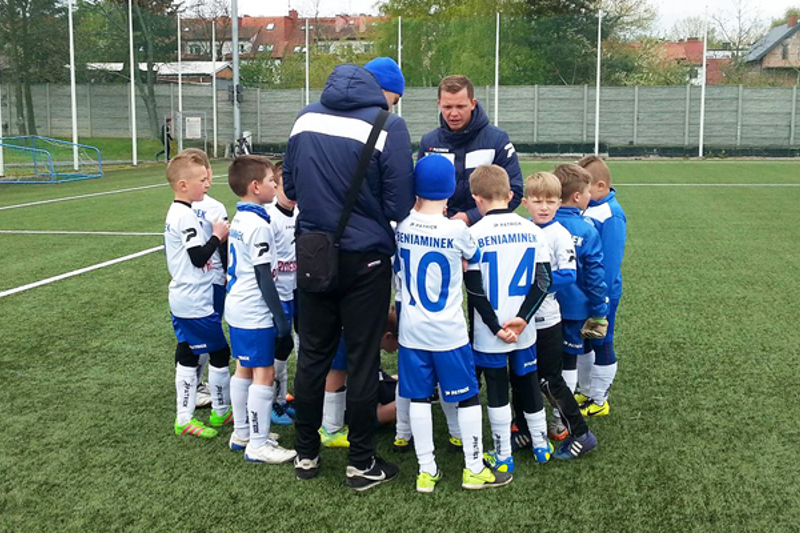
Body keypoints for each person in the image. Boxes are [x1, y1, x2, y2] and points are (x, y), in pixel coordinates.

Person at [283, 57, 415, 491]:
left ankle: (306, 454)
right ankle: (361, 463)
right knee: (362, 360)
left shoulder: (305, 117)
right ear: (386, 93)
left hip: (314, 253)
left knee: (312, 357)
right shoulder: (389, 126)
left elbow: (291, 188)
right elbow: (398, 203)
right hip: (366, 259)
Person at [395, 154, 512, 493]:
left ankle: (426, 470)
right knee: (468, 397)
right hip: (448, 332)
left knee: (419, 398)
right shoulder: (457, 229)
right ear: (450, 189)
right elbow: (472, 256)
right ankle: (473, 468)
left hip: (411, 330)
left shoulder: (402, 226)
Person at [466, 165, 554, 474]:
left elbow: (474, 290)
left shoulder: (473, 234)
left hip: (489, 332)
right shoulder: (534, 231)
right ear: (511, 194)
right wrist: (523, 319)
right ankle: (541, 446)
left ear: (476, 198)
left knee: (497, 387)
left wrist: (495, 327)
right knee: (528, 381)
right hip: (523, 330)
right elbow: (544, 281)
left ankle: (503, 454)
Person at [520, 172, 598, 460]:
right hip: (521, 319)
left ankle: (581, 433)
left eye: (550, 201)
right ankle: (524, 429)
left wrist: (534, 286)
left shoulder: (559, 234)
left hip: (546, 319)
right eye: (538, 201)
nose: (544, 207)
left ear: (559, 203)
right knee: (522, 376)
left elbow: (568, 274)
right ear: (525, 202)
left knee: (548, 379)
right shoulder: (522, 228)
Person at [224, 155, 295, 464]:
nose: (274, 186)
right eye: (270, 182)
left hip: (237, 305)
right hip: (254, 310)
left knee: (243, 368)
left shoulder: (241, 218)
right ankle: (258, 443)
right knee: (263, 374)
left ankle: (242, 432)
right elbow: (263, 275)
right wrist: (280, 319)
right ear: (255, 186)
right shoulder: (258, 225)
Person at [163, 153, 230, 439]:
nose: (208, 184)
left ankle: (197, 414)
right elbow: (198, 257)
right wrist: (217, 236)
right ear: (183, 185)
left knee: (191, 351)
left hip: (188, 295)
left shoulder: (179, 212)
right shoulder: (185, 216)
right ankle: (209, 413)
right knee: (216, 352)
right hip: (193, 298)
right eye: (202, 180)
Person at [551, 164, 609, 453]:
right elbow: (595, 276)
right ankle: (559, 421)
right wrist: (599, 311)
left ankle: (527, 420)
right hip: (575, 310)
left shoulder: (539, 223)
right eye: (587, 192)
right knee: (568, 363)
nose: (589, 197)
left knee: (541, 364)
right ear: (576, 196)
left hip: (542, 307)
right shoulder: (587, 229)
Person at [418, 75, 523, 226]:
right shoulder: (429, 143)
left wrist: (471, 217)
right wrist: (435, 212)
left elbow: (514, 190)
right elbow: (418, 192)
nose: (454, 113)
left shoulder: (497, 140)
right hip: (441, 230)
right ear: (439, 104)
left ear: (473, 104)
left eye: (460, 106)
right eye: (447, 107)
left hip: (485, 230)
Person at [578, 156, 627, 417]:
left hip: (601, 294)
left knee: (602, 342)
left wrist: (600, 296)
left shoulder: (612, 214)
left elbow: (609, 264)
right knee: (584, 340)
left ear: (599, 186)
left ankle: (599, 400)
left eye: (584, 187)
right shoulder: (588, 206)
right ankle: (586, 390)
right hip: (583, 291)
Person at [181, 148, 227, 410]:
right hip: (210, 278)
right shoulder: (211, 207)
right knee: (206, 338)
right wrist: (228, 274)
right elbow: (222, 245)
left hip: (200, 280)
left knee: (194, 336)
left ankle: (196, 385)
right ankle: (196, 388)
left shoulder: (181, 207)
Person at [265, 162, 299, 426]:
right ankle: (271, 401)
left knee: (291, 344)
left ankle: (282, 397)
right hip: (278, 293)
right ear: (275, 187)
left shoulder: (300, 212)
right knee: (279, 345)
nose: (293, 190)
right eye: (286, 185)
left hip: (298, 289)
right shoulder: (269, 217)